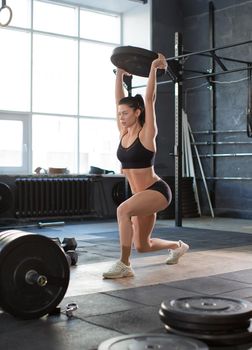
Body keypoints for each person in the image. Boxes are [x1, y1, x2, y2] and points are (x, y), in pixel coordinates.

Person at [103, 53, 189, 279]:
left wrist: (153, 69)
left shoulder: (147, 133)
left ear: (137, 112)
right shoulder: (123, 133)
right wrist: (119, 75)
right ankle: (178, 245)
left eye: (125, 113)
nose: (121, 117)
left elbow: (149, 99)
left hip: (157, 192)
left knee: (123, 209)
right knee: (143, 245)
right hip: (140, 196)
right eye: (119, 114)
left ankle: (124, 264)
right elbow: (117, 100)